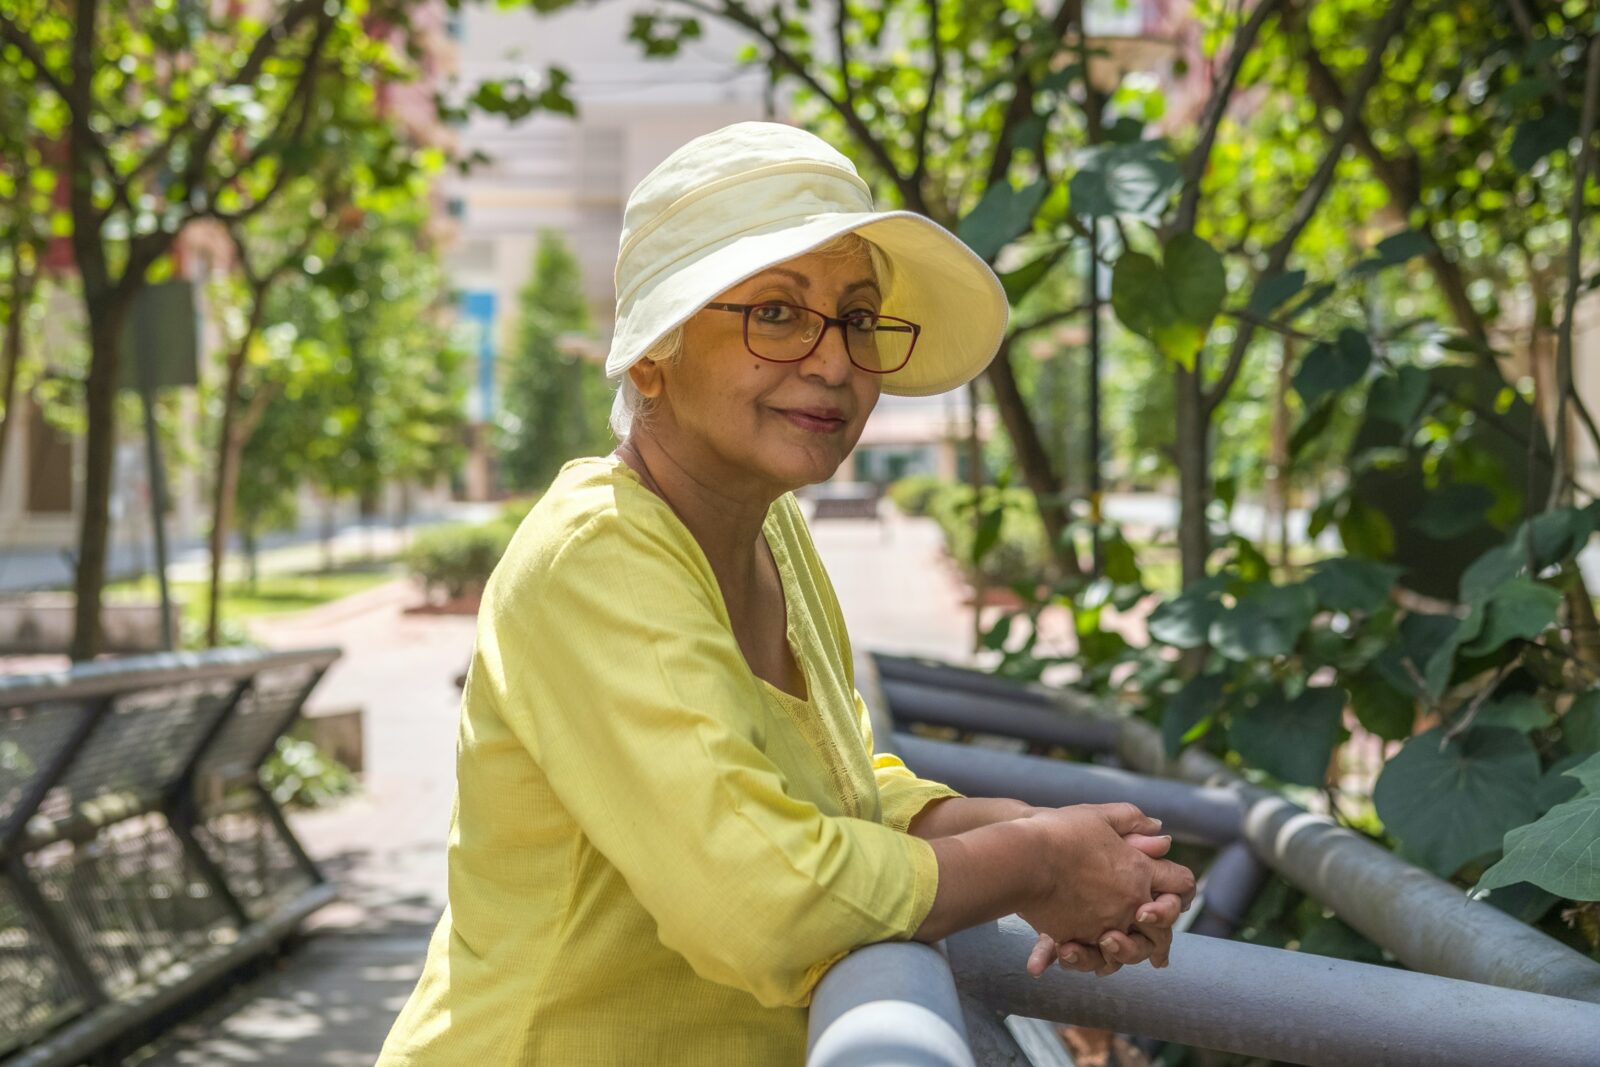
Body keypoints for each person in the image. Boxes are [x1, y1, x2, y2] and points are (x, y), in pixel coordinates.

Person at [378, 121, 1194, 1066]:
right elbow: (762, 901)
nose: (835, 362)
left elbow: (839, 785)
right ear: (652, 351)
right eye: (775, 312)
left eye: (858, 318)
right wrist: (1037, 863)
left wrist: (1044, 837)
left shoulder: (771, 530)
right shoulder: (598, 553)